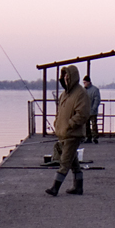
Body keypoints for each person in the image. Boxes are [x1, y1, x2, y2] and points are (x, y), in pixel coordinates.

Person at [46, 64, 91, 196]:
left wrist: (70, 124)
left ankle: (55, 187)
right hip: (63, 134)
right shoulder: (64, 94)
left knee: (65, 162)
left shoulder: (81, 93)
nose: (66, 79)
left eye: (67, 76)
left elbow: (82, 114)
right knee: (73, 161)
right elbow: (60, 112)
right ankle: (78, 187)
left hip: (73, 134)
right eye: (64, 76)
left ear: (73, 77)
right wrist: (57, 123)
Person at [83, 74, 101, 143]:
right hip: (85, 110)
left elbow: (97, 100)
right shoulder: (83, 90)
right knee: (86, 125)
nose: (84, 84)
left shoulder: (95, 90)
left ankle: (95, 137)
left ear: (89, 82)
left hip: (92, 111)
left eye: (85, 82)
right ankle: (88, 137)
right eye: (83, 83)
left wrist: (94, 108)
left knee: (94, 124)